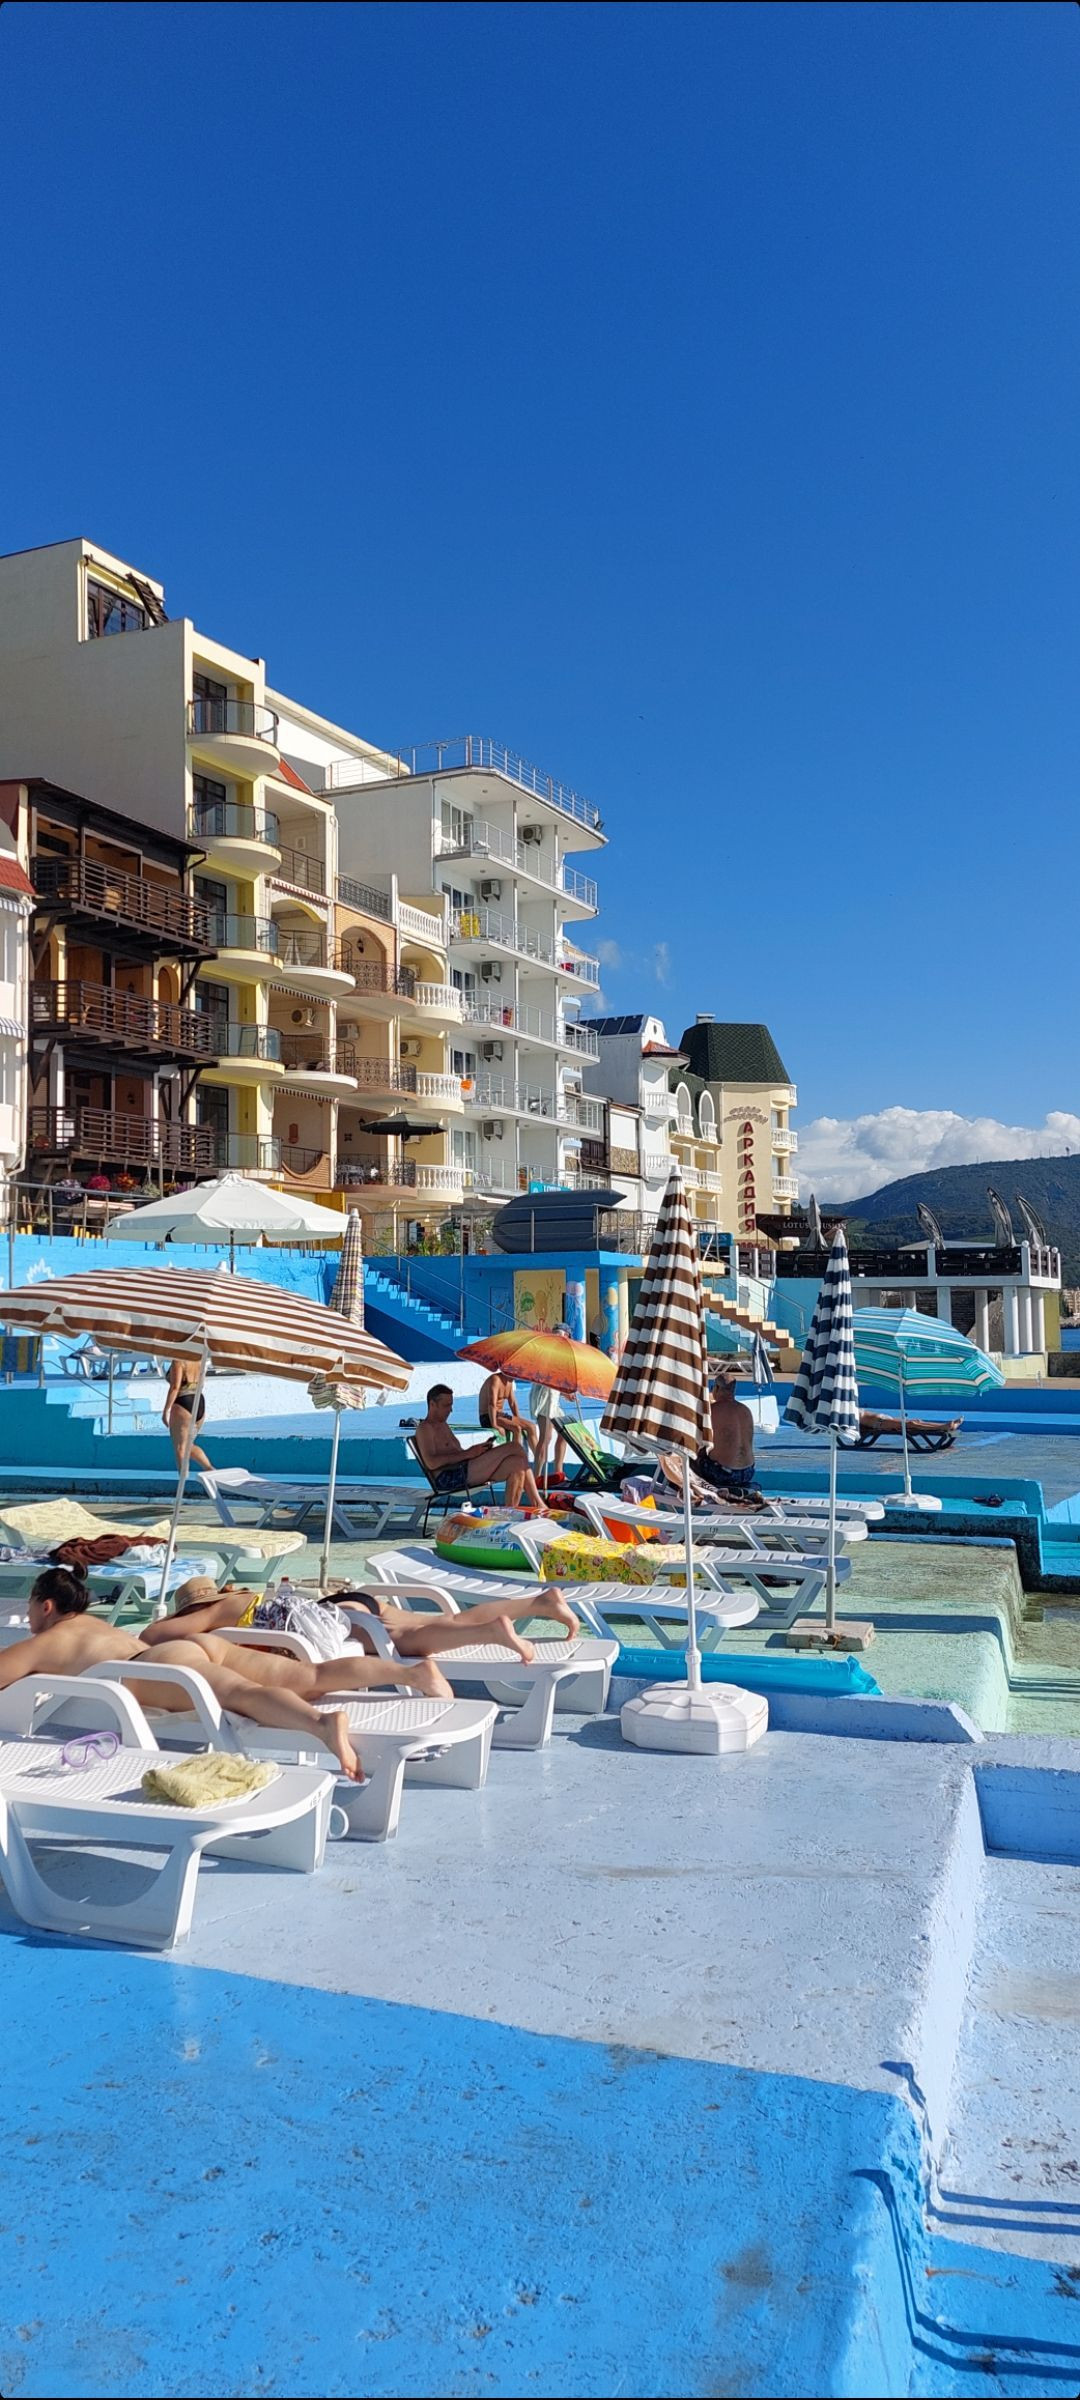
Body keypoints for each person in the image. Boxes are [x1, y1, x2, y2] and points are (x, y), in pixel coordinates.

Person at [0, 1566, 462, 1784]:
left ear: (46, 1605)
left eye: (31, 1608)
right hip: (192, 1648)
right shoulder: (98, 1625)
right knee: (311, 1674)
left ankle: (322, 1725)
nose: (30, 1617)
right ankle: (413, 1673)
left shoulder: (47, 1641)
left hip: (160, 1669)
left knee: (243, 1694)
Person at [142, 1573, 580, 1659]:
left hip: (333, 1619)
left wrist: (173, 1620)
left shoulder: (214, 1611)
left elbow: (151, 1635)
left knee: (409, 1642)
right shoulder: (242, 1595)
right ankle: (538, 1603)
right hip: (349, 1602)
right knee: (432, 1622)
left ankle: (492, 1632)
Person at [414, 1383, 542, 1506]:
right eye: (446, 1405)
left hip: (462, 1470)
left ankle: (510, 1512)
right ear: (432, 1404)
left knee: (517, 1464)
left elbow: (458, 1454)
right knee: (514, 1447)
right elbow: (431, 1463)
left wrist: (478, 1452)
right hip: (449, 1478)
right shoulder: (425, 1428)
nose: (450, 1410)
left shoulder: (443, 1425)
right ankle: (539, 1503)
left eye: (451, 1405)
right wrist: (468, 1454)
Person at [695, 1359, 761, 1496]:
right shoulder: (745, 1410)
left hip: (723, 1474)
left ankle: (691, 1490)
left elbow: (698, 1440)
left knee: (690, 1456)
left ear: (716, 1388)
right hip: (748, 1472)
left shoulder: (712, 1411)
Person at [531, 1325, 572, 1486]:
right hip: (544, 1398)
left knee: (565, 1434)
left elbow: (557, 1381)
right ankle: (536, 1476)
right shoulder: (546, 1353)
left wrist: (565, 1393)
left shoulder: (563, 1356)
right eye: (555, 1335)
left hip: (553, 1400)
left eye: (560, 1336)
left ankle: (558, 1471)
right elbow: (545, 1377)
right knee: (546, 1437)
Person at [164, 1356, 212, 1475]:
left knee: (180, 1448)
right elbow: (201, 1383)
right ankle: (209, 1469)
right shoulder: (199, 1360)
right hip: (199, 1401)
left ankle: (182, 1480)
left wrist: (166, 1410)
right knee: (188, 1446)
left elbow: (175, 1388)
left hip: (183, 1401)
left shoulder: (179, 1360)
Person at [477, 1369, 538, 1459]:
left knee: (531, 1426)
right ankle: (516, 1460)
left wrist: (518, 1419)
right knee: (516, 1428)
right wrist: (495, 1425)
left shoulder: (509, 1382)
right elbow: (491, 1404)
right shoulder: (495, 1379)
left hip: (500, 1415)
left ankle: (539, 1460)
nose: (517, 1376)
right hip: (488, 1416)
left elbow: (512, 1403)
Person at [858, 1409, 961, 1444]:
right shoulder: (851, 1413)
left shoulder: (852, 1407)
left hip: (883, 1419)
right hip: (880, 1423)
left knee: (916, 1422)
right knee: (912, 1424)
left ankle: (944, 1426)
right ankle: (942, 1427)